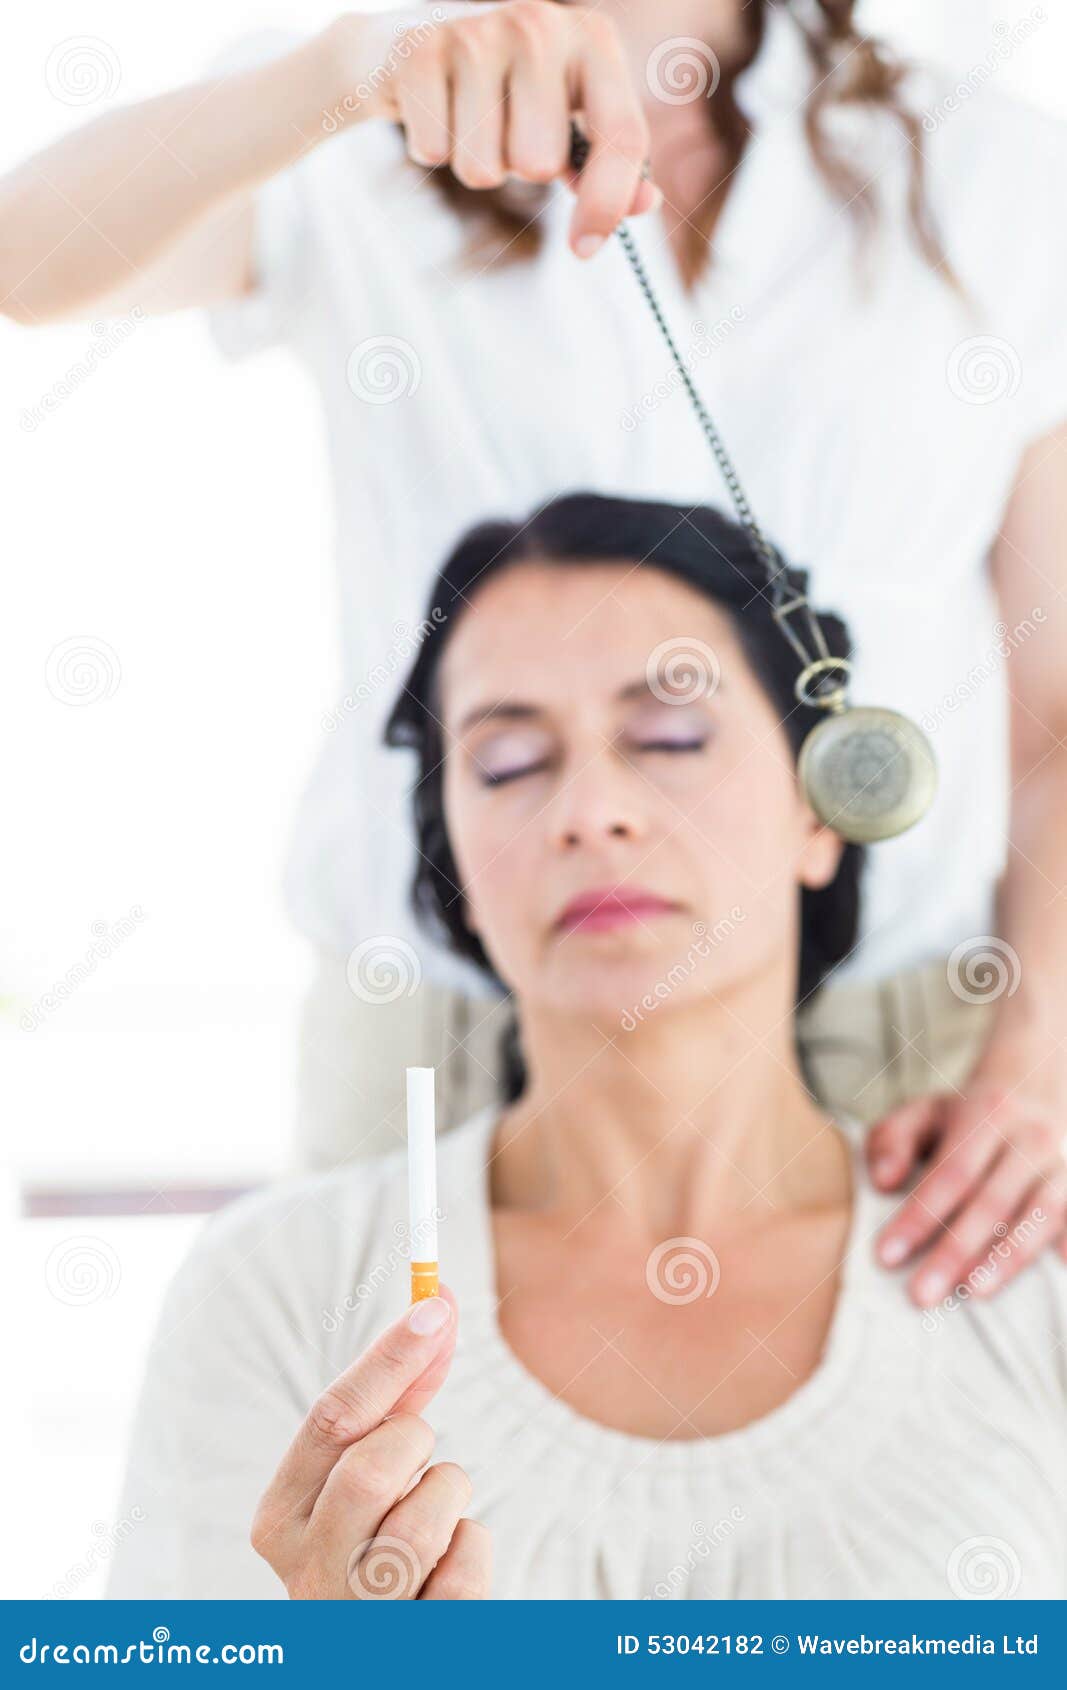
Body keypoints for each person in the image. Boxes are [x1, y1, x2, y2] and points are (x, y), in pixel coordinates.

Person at [5, 2, 1067, 1295]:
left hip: (900, 1063)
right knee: (399, 1481)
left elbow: (1050, 719)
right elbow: (23, 260)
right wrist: (342, 78)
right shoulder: (346, 124)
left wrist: (1033, 1059)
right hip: (442, 1047)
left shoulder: (992, 177)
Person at [106, 495, 1067, 1601]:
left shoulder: (1019, 1273)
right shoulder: (279, 1292)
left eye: (668, 736)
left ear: (819, 810)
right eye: (509, 763)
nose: (590, 808)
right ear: (452, 854)